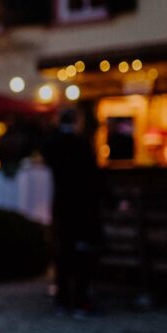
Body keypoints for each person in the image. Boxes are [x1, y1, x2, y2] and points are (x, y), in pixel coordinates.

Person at [42, 108, 104, 317]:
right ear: (77, 120)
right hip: (81, 205)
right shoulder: (81, 143)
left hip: (61, 204)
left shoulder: (51, 143)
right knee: (81, 253)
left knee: (63, 252)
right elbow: (93, 176)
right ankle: (80, 301)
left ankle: (62, 300)